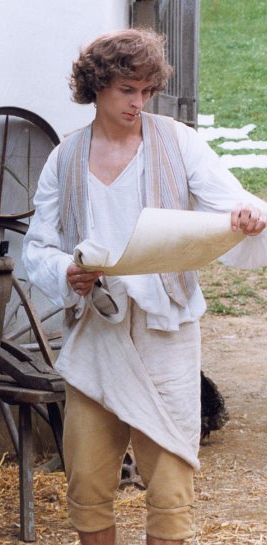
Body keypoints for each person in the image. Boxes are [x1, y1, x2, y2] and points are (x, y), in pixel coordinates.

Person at [22, 28, 267, 545]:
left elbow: (236, 205)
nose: (138, 102)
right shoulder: (65, 158)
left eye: (147, 90)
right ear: (96, 87)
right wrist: (67, 272)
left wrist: (249, 216)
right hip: (97, 331)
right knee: (88, 479)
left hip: (165, 330)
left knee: (171, 480)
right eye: (127, 90)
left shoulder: (179, 142)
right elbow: (38, 246)